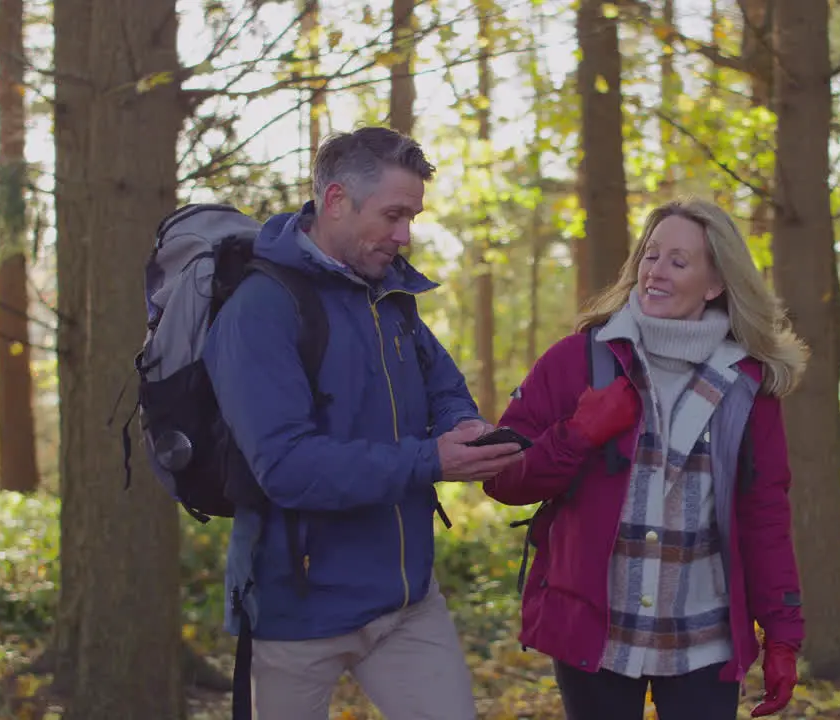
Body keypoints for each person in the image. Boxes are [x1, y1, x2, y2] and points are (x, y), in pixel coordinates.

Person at [203, 126, 523, 719]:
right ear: (335, 201)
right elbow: (288, 467)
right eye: (393, 215)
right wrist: (433, 460)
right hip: (295, 611)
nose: (404, 236)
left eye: (413, 217)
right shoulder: (261, 310)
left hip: (404, 603)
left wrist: (463, 429)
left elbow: (444, 388)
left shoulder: (387, 292)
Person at [483, 199, 807, 720]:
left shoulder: (748, 385)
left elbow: (765, 514)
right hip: (595, 629)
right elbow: (502, 480)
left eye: (678, 262)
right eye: (650, 255)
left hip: (703, 636)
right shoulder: (578, 360)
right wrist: (576, 435)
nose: (655, 272)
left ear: (715, 283)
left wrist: (783, 633)